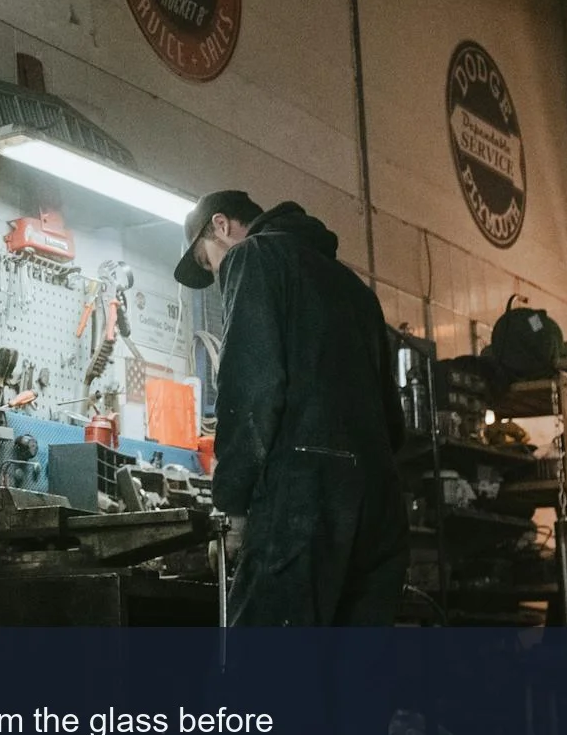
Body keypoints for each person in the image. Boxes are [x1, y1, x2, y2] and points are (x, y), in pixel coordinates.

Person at [173, 190, 409, 626]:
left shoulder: (254, 257)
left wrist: (232, 507)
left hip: (305, 502)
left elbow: (250, 388)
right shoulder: (357, 291)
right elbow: (393, 423)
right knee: (353, 684)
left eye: (210, 262)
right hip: (381, 507)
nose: (219, 276)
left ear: (221, 227)